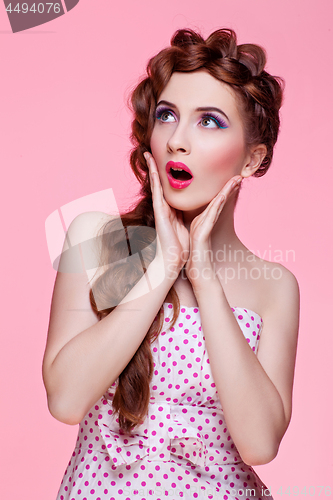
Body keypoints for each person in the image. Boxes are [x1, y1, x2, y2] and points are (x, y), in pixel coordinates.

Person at [43, 27, 300, 500]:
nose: (178, 140)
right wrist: (164, 266)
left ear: (252, 158)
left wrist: (204, 279)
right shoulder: (95, 238)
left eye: (210, 122)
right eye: (168, 116)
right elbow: (65, 399)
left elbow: (260, 444)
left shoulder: (274, 285)